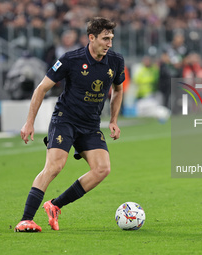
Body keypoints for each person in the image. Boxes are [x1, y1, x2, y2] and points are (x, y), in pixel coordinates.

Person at [14, 17, 125, 232]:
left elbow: (118, 90)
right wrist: (29, 123)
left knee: (103, 169)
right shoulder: (70, 59)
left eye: (111, 38)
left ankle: (55, 205)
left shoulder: (116, 61)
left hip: (90, 124)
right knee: (55, 166)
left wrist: (113, 120)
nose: (109, 43)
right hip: (65, 119)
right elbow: (41, 89)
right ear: (91, 38)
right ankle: (26, 219)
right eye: (105, 39)